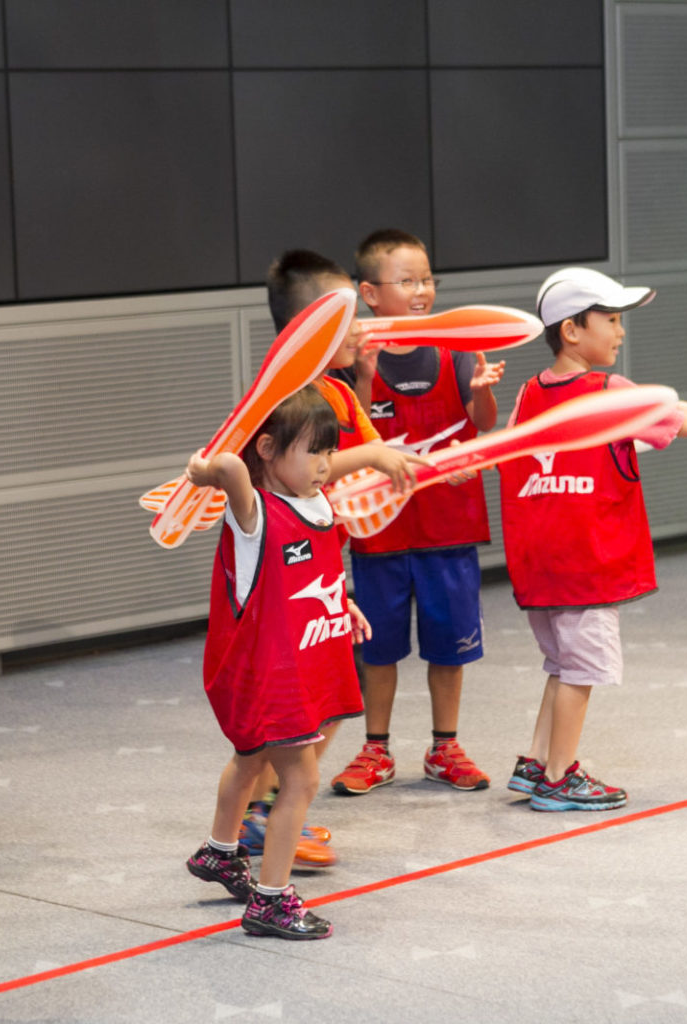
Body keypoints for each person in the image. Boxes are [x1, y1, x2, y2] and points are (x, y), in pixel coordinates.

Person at [231, 251, 423, 869]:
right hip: (283, 578)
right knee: (293, 711)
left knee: (333, 700)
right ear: (307, 330)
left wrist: (403, 462)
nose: (361, 328)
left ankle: (267, 809)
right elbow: (298, 472)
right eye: (345, 321)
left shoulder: (339, 389)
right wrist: (373, 459)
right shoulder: (287, 398)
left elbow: (370, 448)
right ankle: (262, 813)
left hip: (324, 568)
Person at [501, 268, 687, 811]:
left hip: (539, 562)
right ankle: (561, 778)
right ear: (571, 330)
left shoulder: (527, 393)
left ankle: (536, 762)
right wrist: (686, 405)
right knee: (583, 672)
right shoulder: (611, 391)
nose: (620, 332)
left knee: (560, 665)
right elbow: (680, 425)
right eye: (610, 320)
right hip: (586, 563)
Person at [184, 389, 370, 939]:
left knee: (247, 762)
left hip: (305, 657)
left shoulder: (318, 503)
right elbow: (226, 468)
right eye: (314, 451)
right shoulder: (254, 513)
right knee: (302, 779)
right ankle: (271, 900)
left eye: (329, 452)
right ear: (266, 448)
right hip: (272, 675)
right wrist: (203, 469)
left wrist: (344, 602)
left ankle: (219, 852)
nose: (325, 465)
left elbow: (315, 574)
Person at [330, 229, 504, 796]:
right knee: (377, 649)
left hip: (447, 530)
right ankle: (375, 750)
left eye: (427, 279)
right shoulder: (352, 357)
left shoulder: (457, 347)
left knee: (447, 645)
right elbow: (351, 436)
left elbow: (483, 425)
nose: (422, 290)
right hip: (379, 533)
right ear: (370, 293)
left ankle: (445, 746)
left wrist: (480, 389)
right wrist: (363, 375)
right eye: (407, 281)